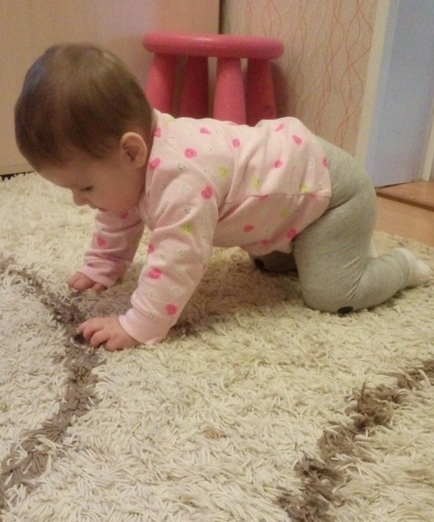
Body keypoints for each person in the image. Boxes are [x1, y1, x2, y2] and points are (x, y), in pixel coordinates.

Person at [14, 43, 431, 351]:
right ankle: (299, 250)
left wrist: (138, 324)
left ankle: (401, 266)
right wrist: (103, 265)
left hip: (332, 197)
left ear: (131, 151)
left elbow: (179, 261)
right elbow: (118, 209)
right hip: (288, 207)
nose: (79, 201)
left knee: (331, 294)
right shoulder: (132, 166)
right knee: (270, 265)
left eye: (85, 187)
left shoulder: (181, 178)